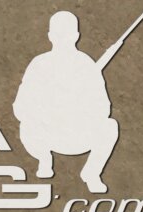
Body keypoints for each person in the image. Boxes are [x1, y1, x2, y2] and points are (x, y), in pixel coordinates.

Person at [14, 10, 124, 193]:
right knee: (26, 125)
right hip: (45, 135)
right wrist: (46, 111)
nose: (62, 39)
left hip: (78, 135)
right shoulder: (39, 64)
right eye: (59, 35)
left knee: (109, 127)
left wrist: (77, 108)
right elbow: (20, 107)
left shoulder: (86, 65)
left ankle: (91, 173)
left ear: (76, 36)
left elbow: (103, 108)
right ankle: (44, 159)